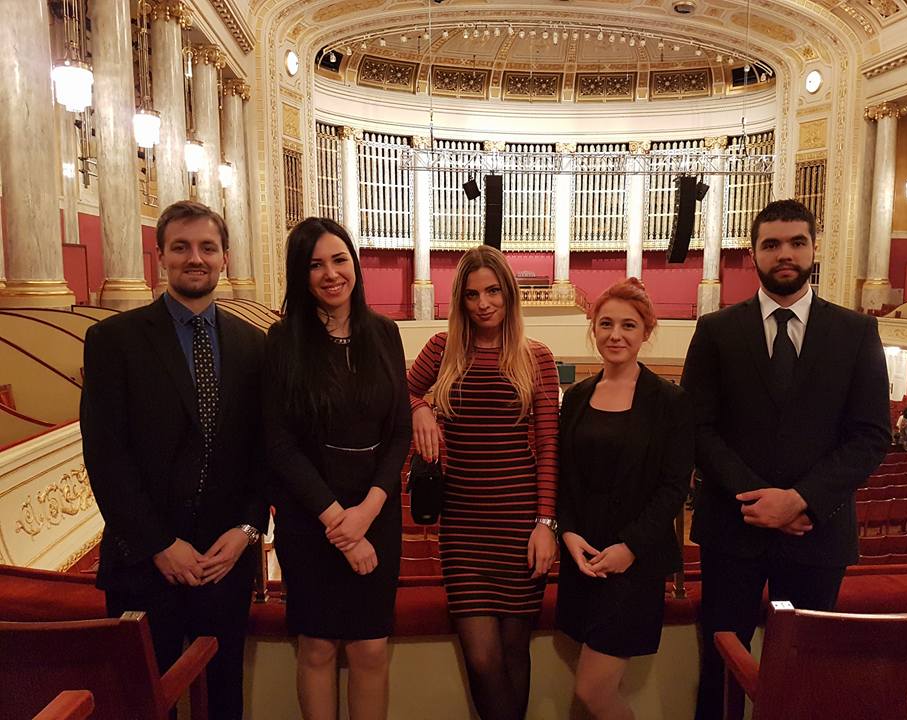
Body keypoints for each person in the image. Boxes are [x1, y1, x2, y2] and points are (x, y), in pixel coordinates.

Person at [680, 199, 890, 720]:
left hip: (816, 532)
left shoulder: (856, 332)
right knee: (720, 670)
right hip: (733, 530)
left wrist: (800, 500)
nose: (785, 254)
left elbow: (870, 436)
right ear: (753, 254)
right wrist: (758, 501)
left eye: (797, 242)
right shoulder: (715, 330)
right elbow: (697, 428)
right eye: (771, 244)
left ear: (815, 248)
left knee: (807, 674)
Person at [81, 200, 267, 720]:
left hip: (224, 561)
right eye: (181, 247)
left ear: (225, 257)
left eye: (208, 247)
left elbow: (262, 452)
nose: (195, 258)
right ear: (160, 256)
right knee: (143, 706)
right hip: (143, 564)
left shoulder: (254, 345)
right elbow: (105, 455)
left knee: (224, 700)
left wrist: (248, 529)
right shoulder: (113, 340)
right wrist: (159, 544)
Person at [262, 218, 411, 720]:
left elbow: (399, 433)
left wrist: (367, 512)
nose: (331, 274)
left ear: (355, 265)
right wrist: (338, 523)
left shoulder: (385, 333)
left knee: (370, 649)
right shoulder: (282, 341)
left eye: (339, 259)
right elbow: (280, 445)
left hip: (375, 511)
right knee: (318, 647)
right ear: (300, 274)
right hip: (311, 518)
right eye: (316, 264)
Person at [407, 245, 560, 720]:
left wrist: (545, 524)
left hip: (519, 525)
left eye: (493, 291)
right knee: (483, 659)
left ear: (509, 294)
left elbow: (548, 447)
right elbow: (401, 391)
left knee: (515, 653)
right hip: (463, 527)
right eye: (472, 295)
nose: (483, 304)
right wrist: (420, 407)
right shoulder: (442, 348)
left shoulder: (536, 357)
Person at [557, 278, 694, 719]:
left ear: (646, 332)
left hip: (633, 565)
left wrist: (630, 547)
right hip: (583, 560)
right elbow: (565, 478)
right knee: (586, 690)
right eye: (606, 324)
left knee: (593, 690)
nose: (615, 335)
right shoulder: (576, 397)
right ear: (593, 328)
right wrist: (568, 533)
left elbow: (673, 487)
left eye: (628, 325)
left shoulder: (670, 401)